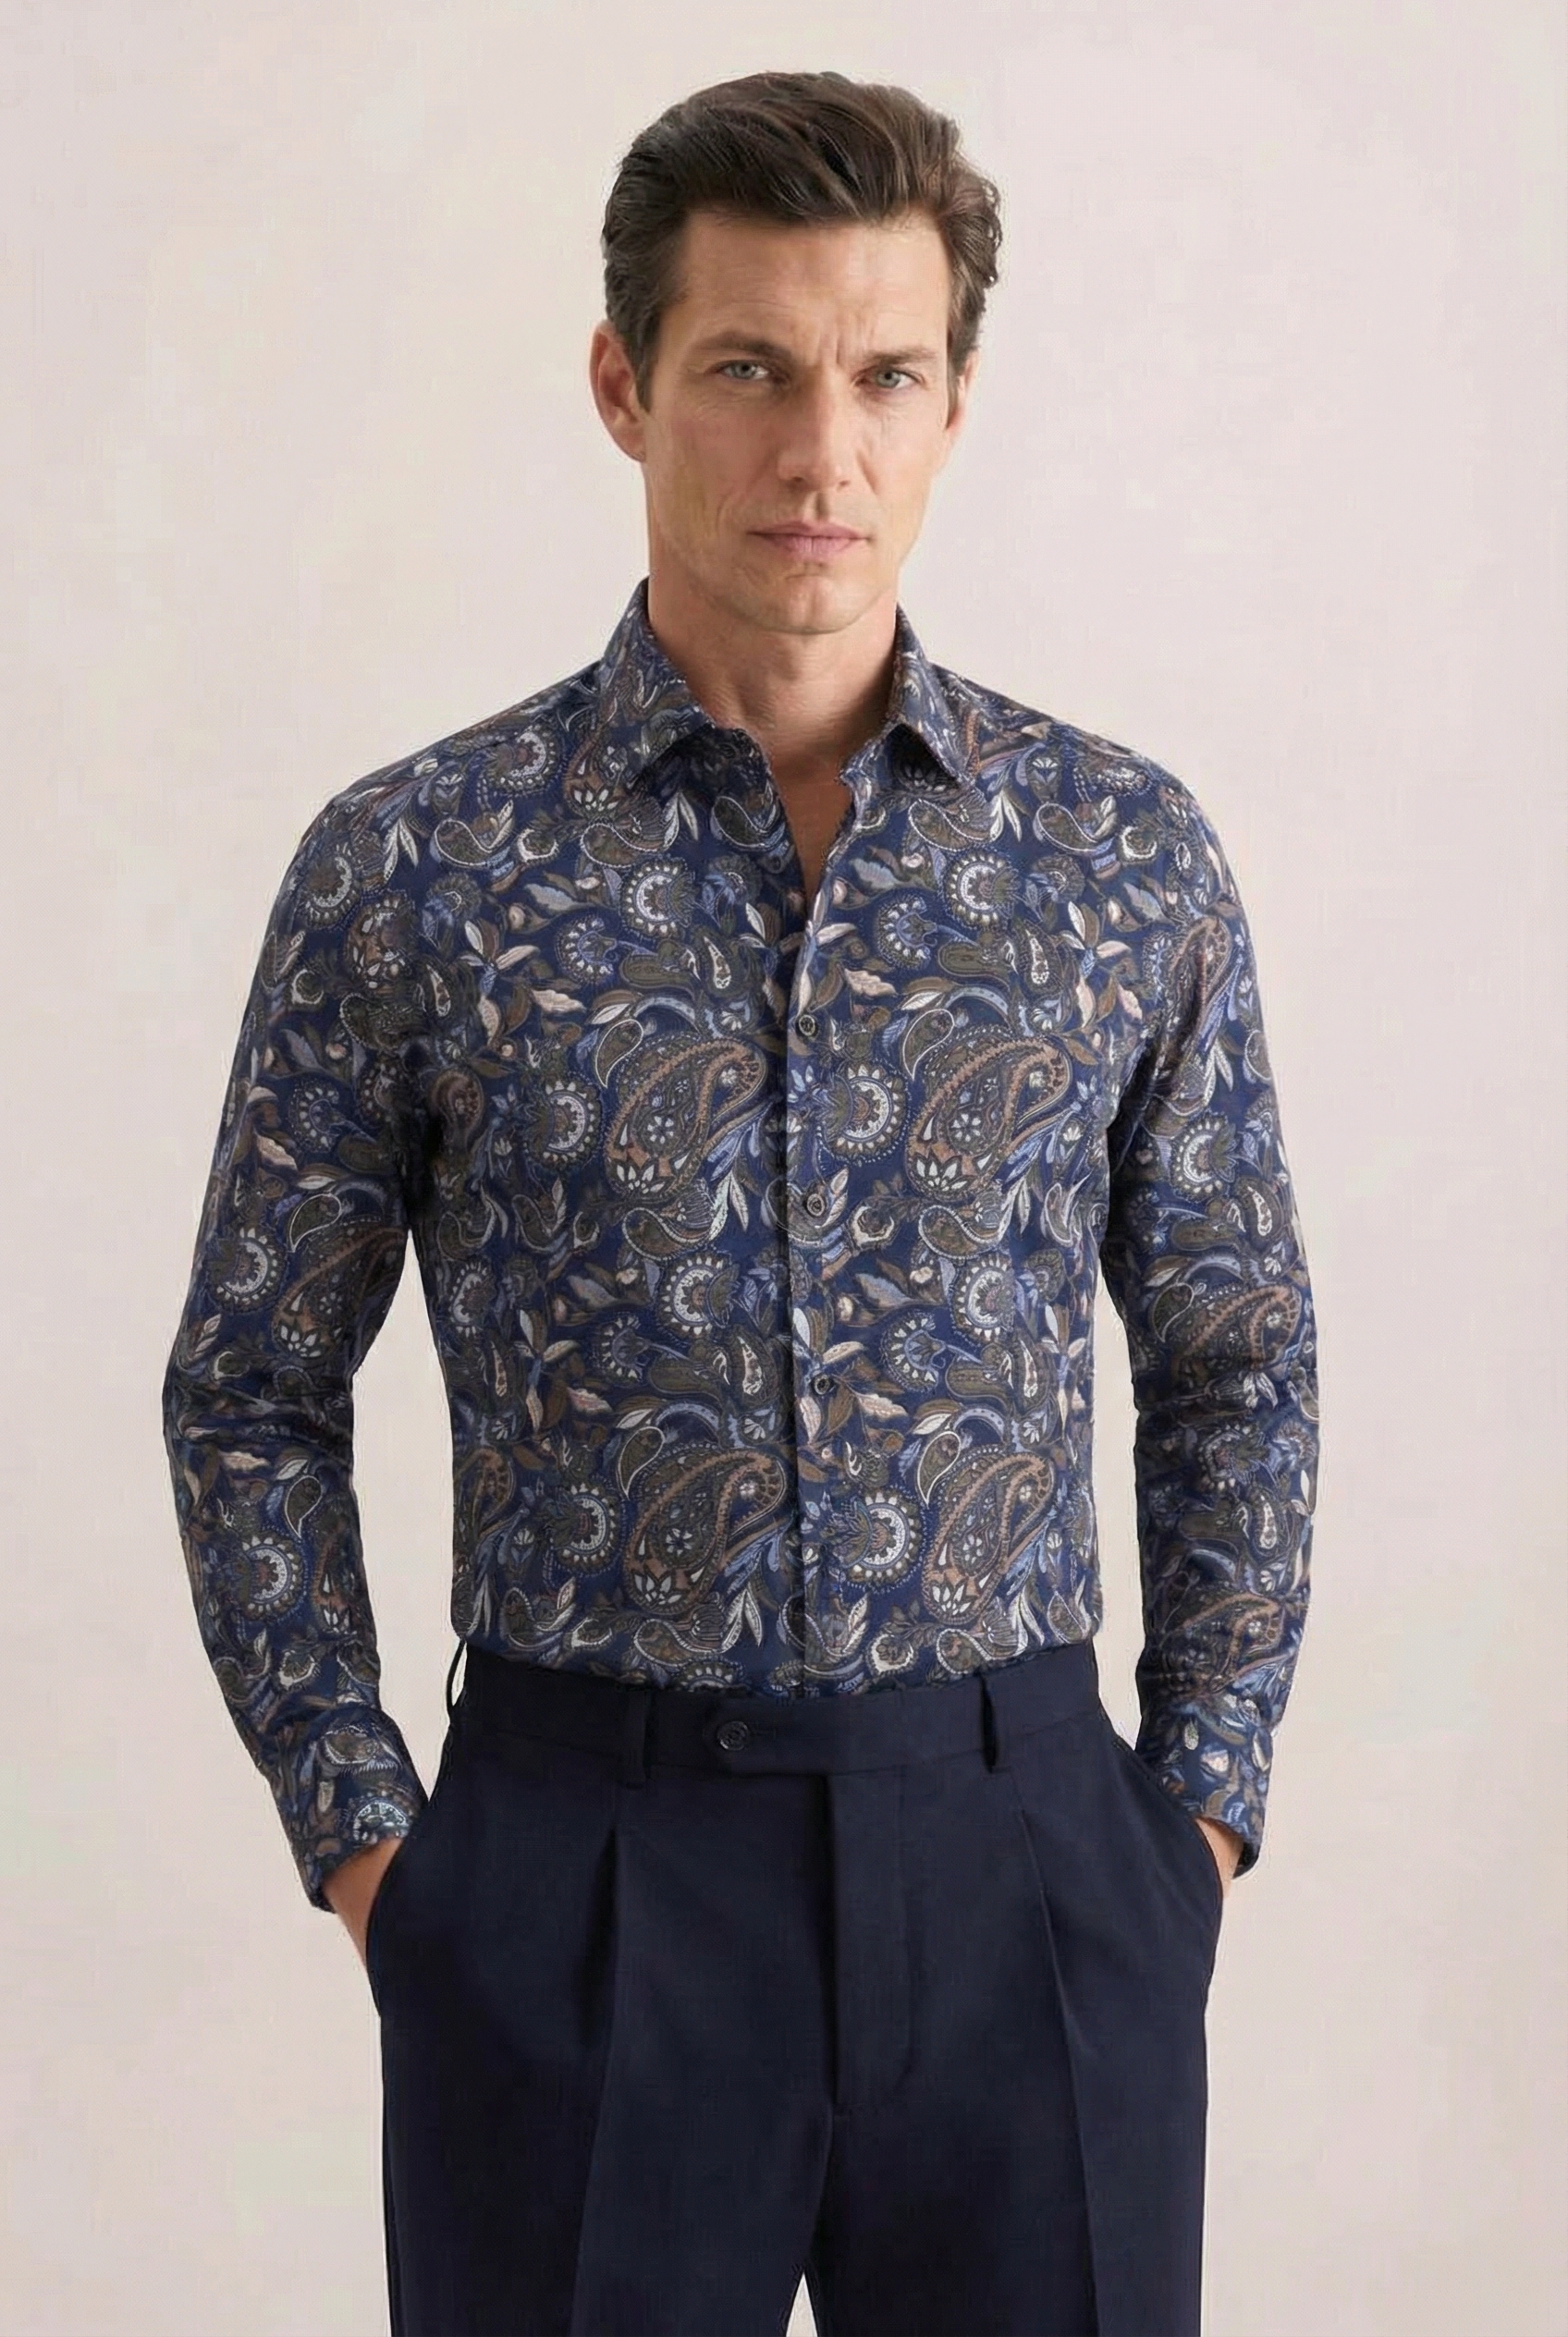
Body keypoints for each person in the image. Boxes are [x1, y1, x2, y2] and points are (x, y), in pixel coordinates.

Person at [162, 67, 1318, 2337]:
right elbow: (251, 1387)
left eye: (884, 375)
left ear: (954, 400)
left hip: (1023, 1866)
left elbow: (1232, 1351)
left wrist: (1187, 1815)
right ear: (622, 386)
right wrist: (375, 1844)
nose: (822, 454)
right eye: (749, 371)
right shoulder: (415, 870)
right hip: (576, 1875)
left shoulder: (1117, 859)